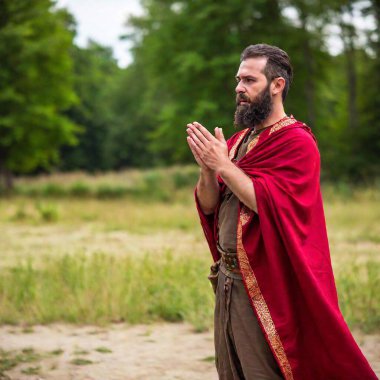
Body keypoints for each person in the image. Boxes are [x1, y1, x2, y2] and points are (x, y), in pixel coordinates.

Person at [186, 44, 377, 380]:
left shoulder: (297, 142)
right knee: (232, 372)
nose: (239, 88)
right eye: (238, 80)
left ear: (277, 85)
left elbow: (269, 204)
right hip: (229, 280)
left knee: (265, 372)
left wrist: (223, 165)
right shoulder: (239, 140)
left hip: (267, 281)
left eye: (249, 80)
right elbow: (209, 206)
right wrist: (207, 169)